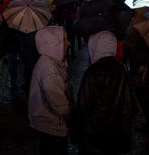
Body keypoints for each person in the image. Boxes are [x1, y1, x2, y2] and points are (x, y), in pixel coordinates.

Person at [72, 31, 135, 155]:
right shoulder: (121, 69)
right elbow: (130, 103)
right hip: (116, 134)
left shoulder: (93, 72)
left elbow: (83, 105)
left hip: (94, 134)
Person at [28, 25, 72, 155]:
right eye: (64, 40)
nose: (68, 43)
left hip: (45, 124)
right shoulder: (50, 69)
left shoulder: (48, 61)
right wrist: (72, 110)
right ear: (54, 44)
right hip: (51, 126)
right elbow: (61, 106)